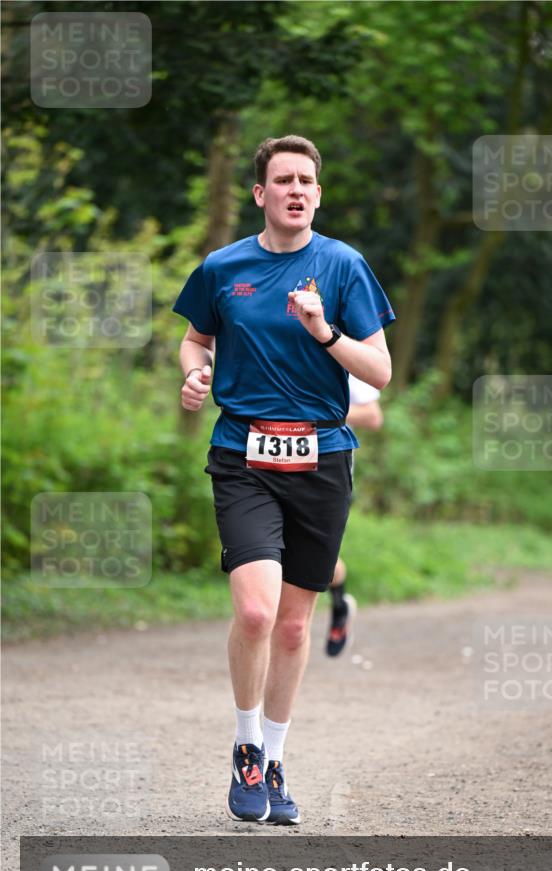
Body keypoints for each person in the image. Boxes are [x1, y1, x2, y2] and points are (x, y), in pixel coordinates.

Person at [173, 135, 395, 825]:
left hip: (322, 458)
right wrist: (192, 370)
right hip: (242, 455)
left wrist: (324, 331)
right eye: (283, 179)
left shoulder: (343, 266)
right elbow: (194, 337)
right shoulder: (222, 268)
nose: (296, 189)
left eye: (307, 181)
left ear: (317, 195)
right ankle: (243, 750)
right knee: (257, 613)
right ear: (260, 193)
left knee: (295, 629)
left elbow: (380, 373)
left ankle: (274, 758)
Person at [326, 375, 383, 657]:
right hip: (266, 462)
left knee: (313, 556)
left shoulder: (340, 340)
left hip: (326, 464)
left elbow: (373, 415)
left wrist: (316, 408)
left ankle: (339, 603)